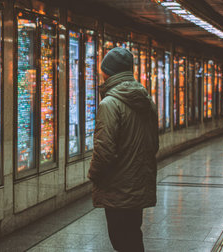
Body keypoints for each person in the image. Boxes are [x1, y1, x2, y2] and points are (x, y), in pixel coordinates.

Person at [88, 47, 159, 252]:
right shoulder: (147, 101)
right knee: (133, 236)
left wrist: (94, 174)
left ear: (108, 72)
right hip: (138, 183)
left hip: (117, 187)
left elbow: (104, 150)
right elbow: (153, 144)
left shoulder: (110, 104)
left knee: (121, 240)